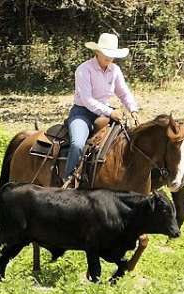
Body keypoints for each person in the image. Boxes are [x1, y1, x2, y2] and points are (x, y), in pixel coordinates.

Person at [63, 32, 140, 183]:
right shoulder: (83, 69)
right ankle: (68, 179)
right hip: (82, 113)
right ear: (97, 52)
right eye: (106, 53)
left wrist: (133, 109)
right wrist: (111, 112)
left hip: (104, 114)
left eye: (112, 54)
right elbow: (87, 100)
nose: (109, 57)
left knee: (126, 141)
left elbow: (123, 92)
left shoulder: (115, 70)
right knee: (77, 143)